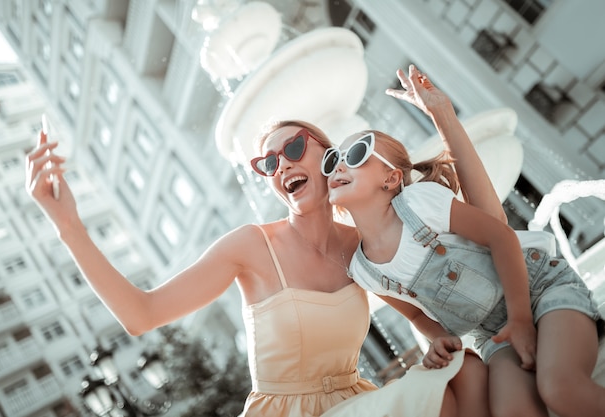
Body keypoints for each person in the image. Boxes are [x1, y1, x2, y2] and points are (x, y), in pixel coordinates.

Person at [26, 65, 493, 417]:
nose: (283, 165)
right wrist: (69, 226)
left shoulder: (361, 245)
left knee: (465, 375)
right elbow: (140, 315)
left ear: (329, 159)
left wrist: (440, 344)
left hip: (356, 402)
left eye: (293, 149)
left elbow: (421, 312)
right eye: (269, 163)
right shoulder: (250, 246)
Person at [321, 72, 605, 417]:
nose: (339, 166)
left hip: (541, 291)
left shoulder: (420, 204)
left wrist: (520, 319)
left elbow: (501, 237)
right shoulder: (364, 270)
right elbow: (413, 313)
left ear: (391, 178)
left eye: (356, 153)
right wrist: (437, 337)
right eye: (333, 160)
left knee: (560, 389)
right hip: (493, 335)